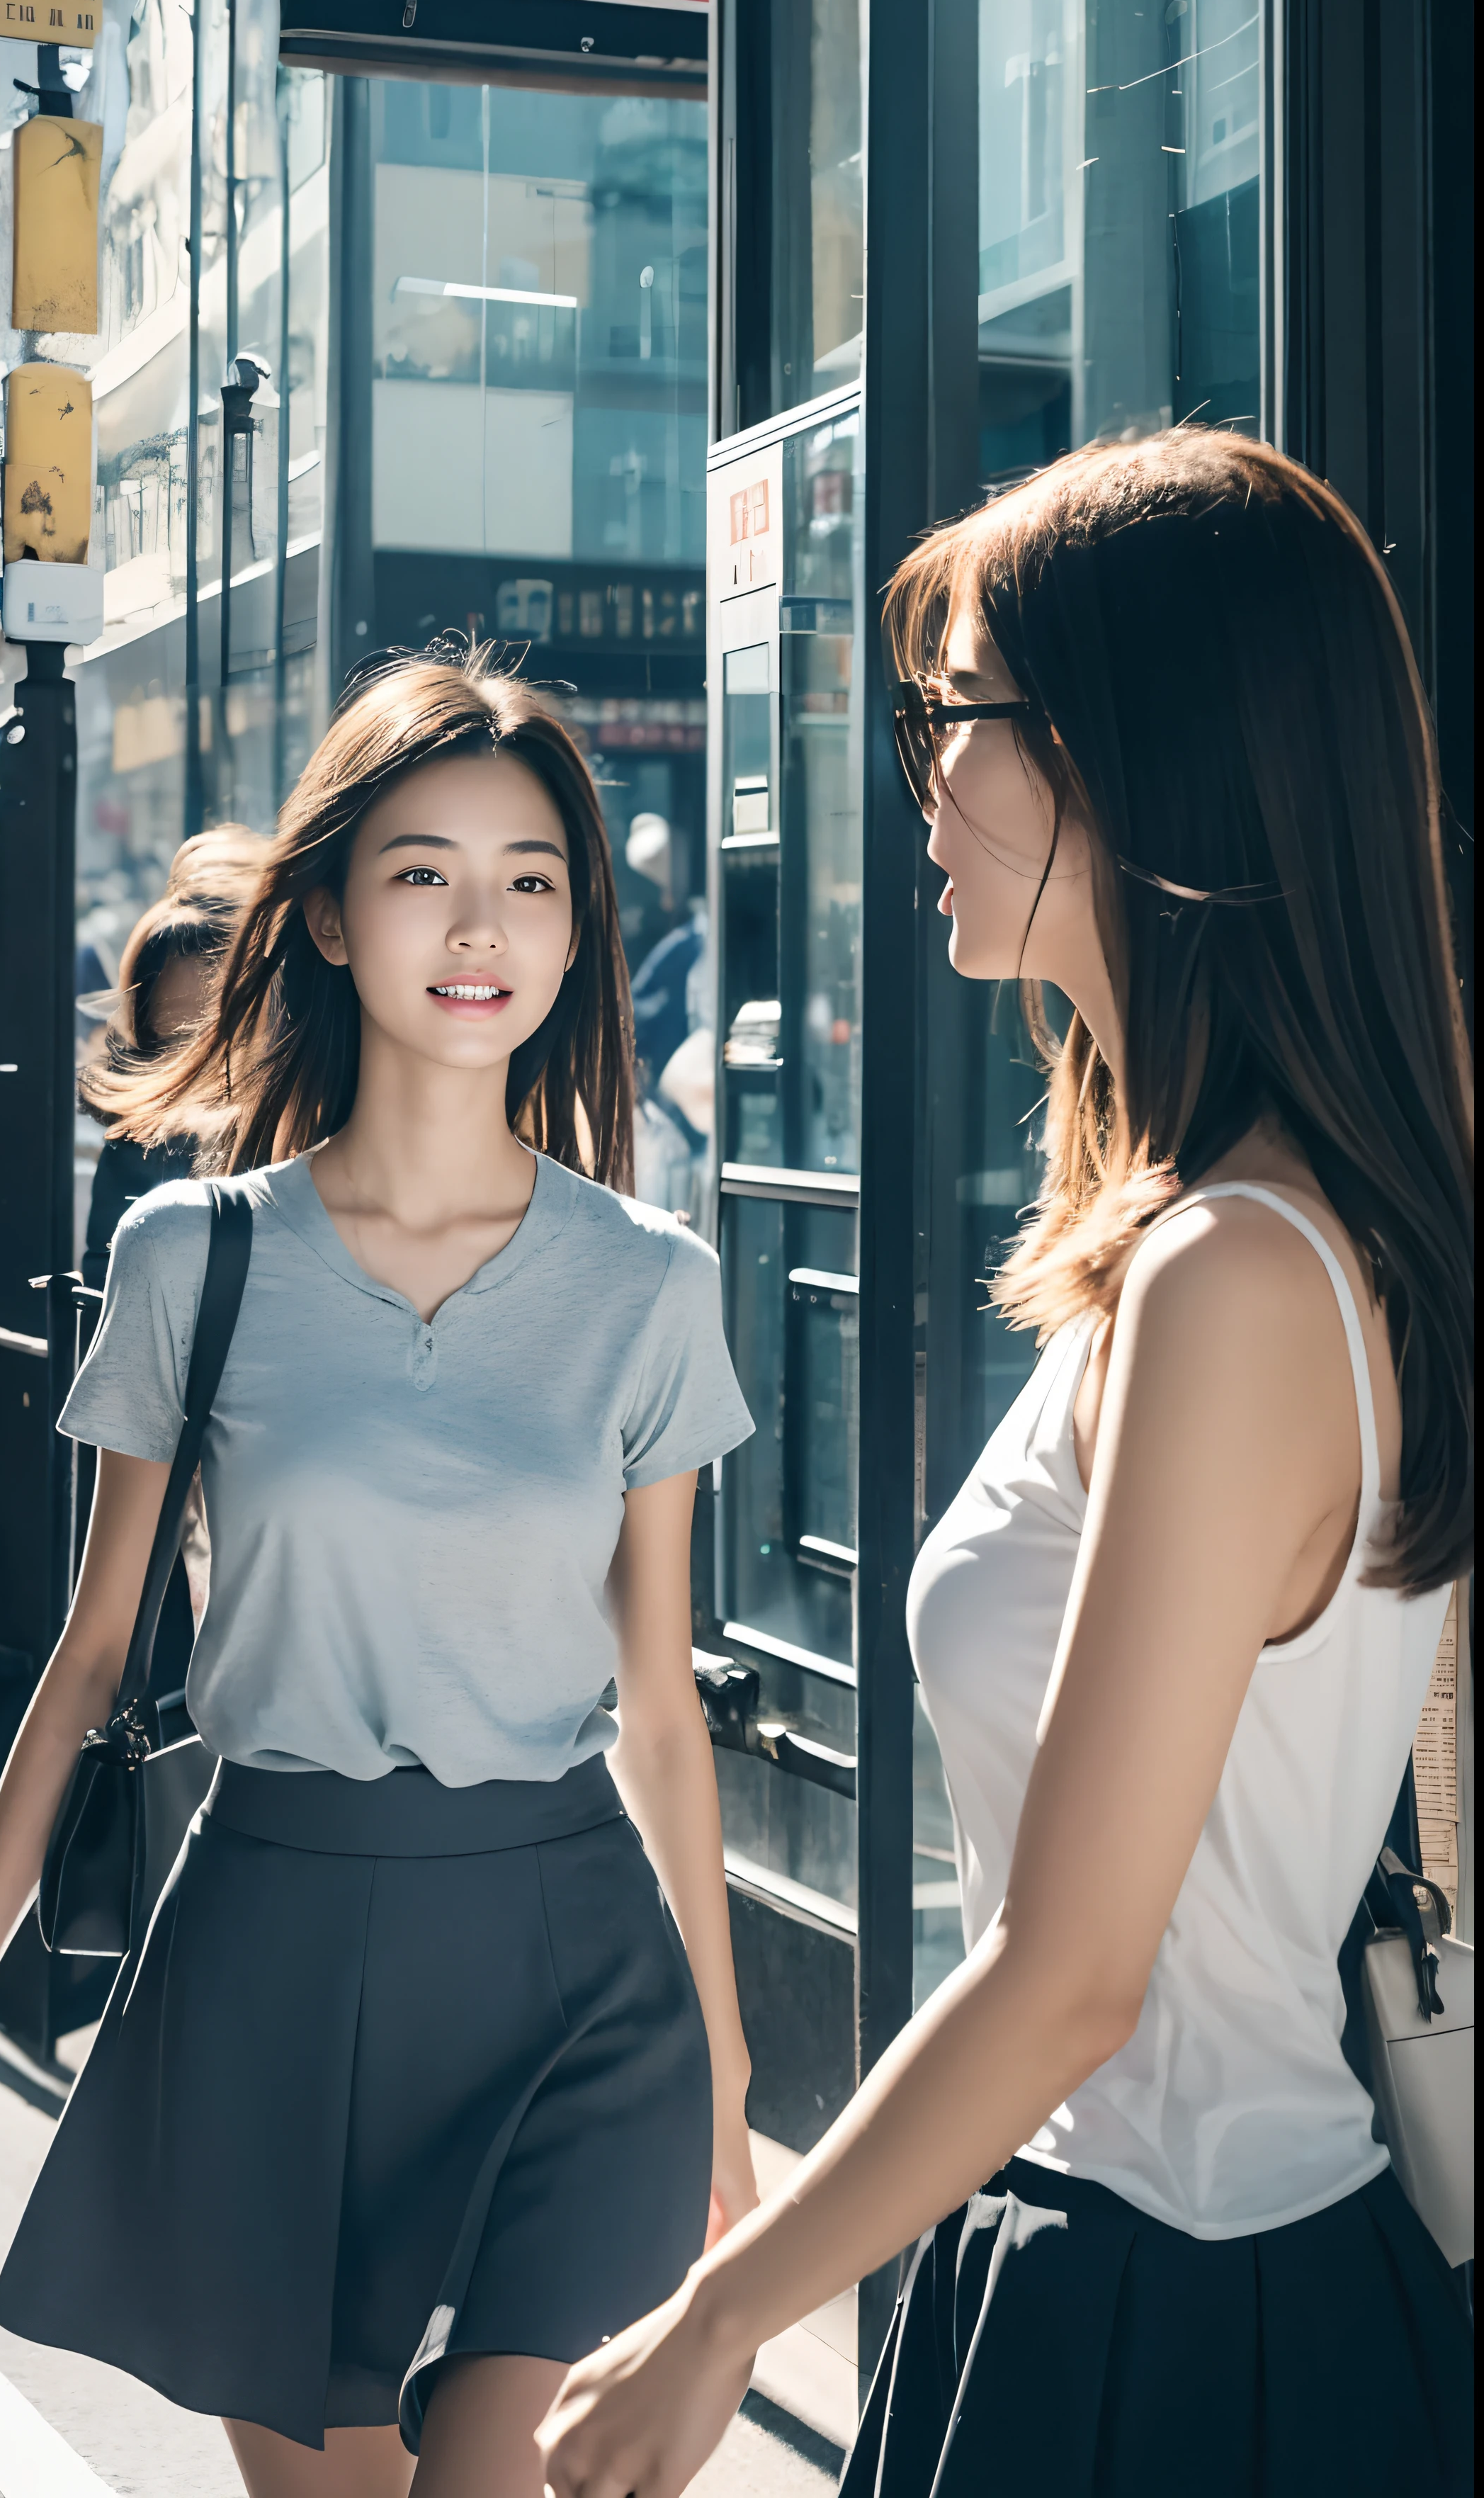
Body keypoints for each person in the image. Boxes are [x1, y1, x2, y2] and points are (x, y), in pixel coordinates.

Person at [535, 431, 1474, 2498]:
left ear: (1138, 756)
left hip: (1184, 2311)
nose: (918, 785)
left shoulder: (1240, 1271)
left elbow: (1066, 1975)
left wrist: (718, 2324)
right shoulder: (1196, 1238)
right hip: (1105, 2258)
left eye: (949, 717)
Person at [0, 646, 758, 2498]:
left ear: (582, 927)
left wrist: (733, 2083)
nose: (480, 922)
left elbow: (663, 1711)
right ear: (336, 919)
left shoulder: (654, 1283)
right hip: (271, 1952)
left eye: (532, 878)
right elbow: (91, 1657)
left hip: (577, 1977)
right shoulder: (195, 1256)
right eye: (424, 869)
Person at [81, 823, 267, 1285]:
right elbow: (107, 1282)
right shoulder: (140, 1144)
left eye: (218, 1040)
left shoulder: (317, 1116)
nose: (196, 1066)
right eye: (176, 1045)